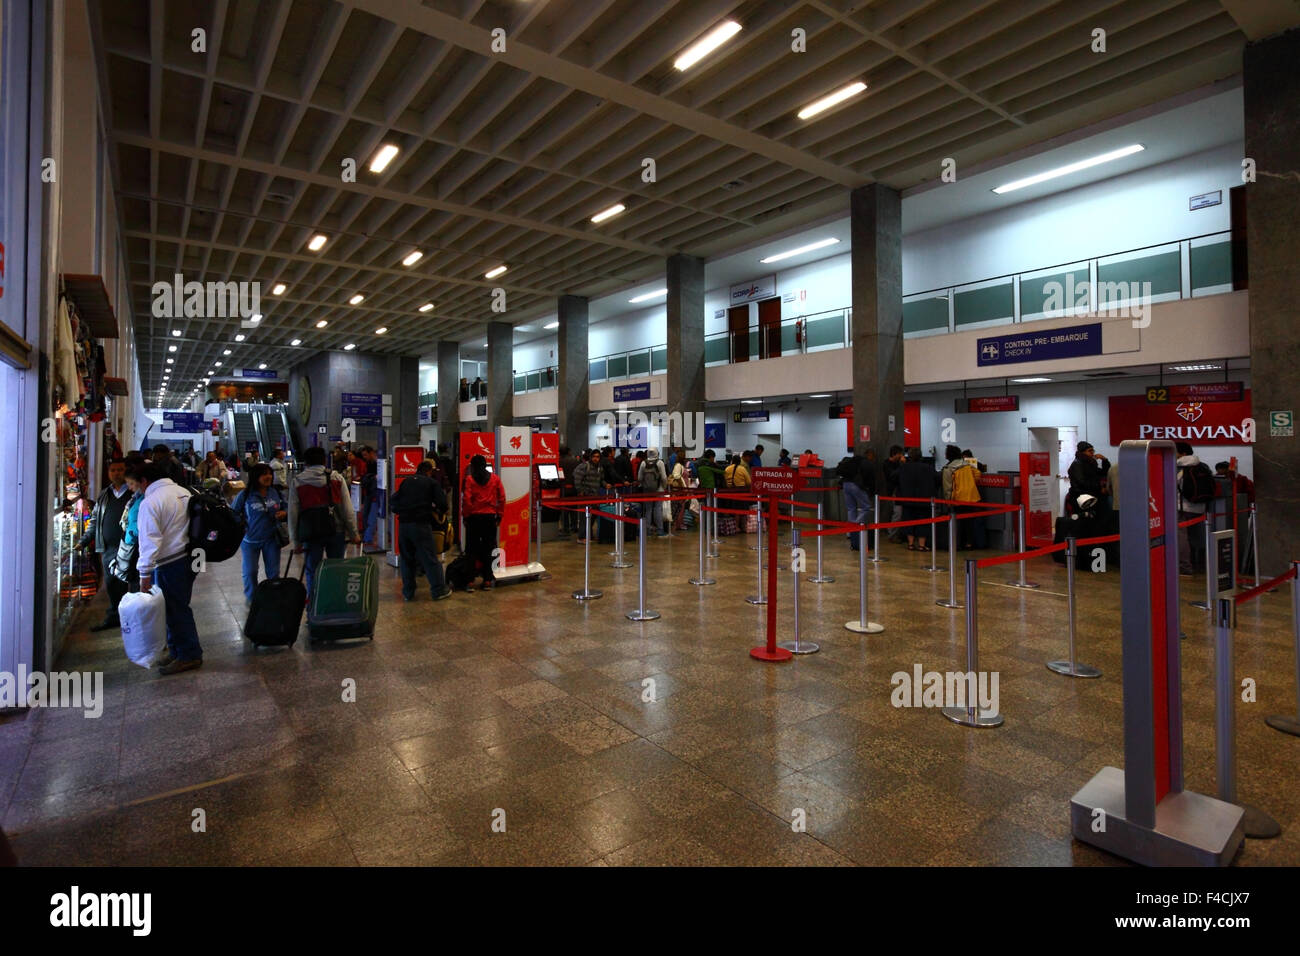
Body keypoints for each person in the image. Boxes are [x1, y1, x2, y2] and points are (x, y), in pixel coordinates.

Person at [136, 461, 201, 675]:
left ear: (144, 481)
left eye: (135, 484)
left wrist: (144, 574)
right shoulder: (183, 491)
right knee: (174, 607)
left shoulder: (151, 501)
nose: (136, 489)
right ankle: (176, 650)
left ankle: (189, 655)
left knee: (176, 609)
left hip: (170, 562)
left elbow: (150, 540)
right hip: (189, 557)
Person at [289, 445, 361, 596]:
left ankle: (313, 605)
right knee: (337, 568)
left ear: (306, 462)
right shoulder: (336, 478)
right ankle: (335, 603)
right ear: (324, 460)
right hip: (336, 531)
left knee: (312, 570)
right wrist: (354, 533)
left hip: (311, 533)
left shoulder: (298, 481)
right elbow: (347, 509)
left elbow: (293, 514)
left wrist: (295, 541)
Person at [76, 457, 133, 631]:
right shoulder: (104, 495)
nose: (116, 473)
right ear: (108, 473)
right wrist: (84, 540)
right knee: (111, 583)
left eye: (120, 470)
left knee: (128, 583)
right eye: (113, 470)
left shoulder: (133, 494)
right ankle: (114, 616)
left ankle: (130, 618)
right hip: (107, 548)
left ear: (126, 471)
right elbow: (95, 520)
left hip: (128, 548)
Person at [389, 460, 451, 602]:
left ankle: (408, 592)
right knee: (429, 558)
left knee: (407, 560)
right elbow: (442, 503)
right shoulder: (431, 483)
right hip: (421, 525)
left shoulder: (407, 481)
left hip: (404, 525)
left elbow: (394, 500)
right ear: (429, 471)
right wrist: (438, 511)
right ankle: (438, 590)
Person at [233, 463, 287, 605]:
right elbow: (233, 513)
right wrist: (242, 525)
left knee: (273, 573)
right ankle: (252, 598)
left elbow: (285, 506)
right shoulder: (245, 495)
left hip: (272, 539)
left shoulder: (275, 492)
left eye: (269, 473)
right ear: (256, 477)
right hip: (250, 541)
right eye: (264, 474)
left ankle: (273, 598)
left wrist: (284, 512)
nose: (268, 477)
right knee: (250, 572)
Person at [461, 453, 505, 590]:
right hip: (490, 518)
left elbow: (467, 500)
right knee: (489, 548)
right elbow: (502, 498)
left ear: (473, 466)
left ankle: (470, 581)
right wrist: (499, 515)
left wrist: (466, 516)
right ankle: (487, 580)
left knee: (471, 550)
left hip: (474, 518)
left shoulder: (469, 480)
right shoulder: (495, 479)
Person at [1176, 441, 1212, 575]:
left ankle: (1184, 567)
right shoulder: (1202, 466)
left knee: (1181, 538)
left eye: (1175, 452)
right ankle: (1202, 565)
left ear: (1183, 453)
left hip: (1182, 508)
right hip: (1200, 507)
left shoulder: (1178, 467)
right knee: (1196, 537)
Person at [942, 445, 981, 550]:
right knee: (969, 522)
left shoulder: (949, 468)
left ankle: (957, 544)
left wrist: (948, 501)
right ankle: (969, 543)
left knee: (957, 522)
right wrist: (971, 483)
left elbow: (948, 488)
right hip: (972, 497)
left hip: (958, 498)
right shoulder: (967, 464)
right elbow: (978, 474)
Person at [897, 448, 935, 551]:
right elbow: (936, 480)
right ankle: (922, 545)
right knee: (923, 522)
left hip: (908, 499)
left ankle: (910, 544)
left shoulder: (904, 468)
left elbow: (894, 477)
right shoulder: (928, 467)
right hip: (924, 500)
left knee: (909, 521)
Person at [840, 445, 874, 551]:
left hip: (845, 484)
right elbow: (870, 479)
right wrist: (871, 491)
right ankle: (856, 526)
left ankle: (850, 531)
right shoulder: (867, 463)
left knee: (851, 509)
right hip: (856, 485)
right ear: (870, 455)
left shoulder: (853, 461)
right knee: (866, 507)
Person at [1066, 441, 1110, 517]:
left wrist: (1104, 460)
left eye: (1093, 450)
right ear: (1082, 452)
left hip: (1092, 496)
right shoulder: (1077, 464)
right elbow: (1082, 483)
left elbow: (1104, 472)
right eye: (1090, 451)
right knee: (1086, 520)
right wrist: (1100, 488)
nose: (1092, 453)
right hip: (1082, 497)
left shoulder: (1090, 463)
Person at [572, 449, 605, 542]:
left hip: (594, 496)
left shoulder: (600, 468)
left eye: (597, 457)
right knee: (583, 517)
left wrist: (605, 484)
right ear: (591, 457)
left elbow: (601, 480)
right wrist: (580, 490)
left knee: (592, 516)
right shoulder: (584, 466)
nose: (595, 459)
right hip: (585, 496)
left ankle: (589, 535)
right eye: (594, 456)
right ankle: (581, 537)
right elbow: (577, 477)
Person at [639, 448, 669, 535]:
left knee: (648, 510)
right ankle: (660, 530)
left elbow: (639, 478)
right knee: (658, 509)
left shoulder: (643, 463)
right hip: (659, 490)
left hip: (647, 490)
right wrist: (664, 487)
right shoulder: (660, 463)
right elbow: (664, 477)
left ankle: (647, 530)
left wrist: (645, 484)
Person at [558, 445, 580, 537]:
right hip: (574, 488)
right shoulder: (575, 461)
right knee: (574, 508)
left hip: (563, 488)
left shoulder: (558, 461)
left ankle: (565, 528)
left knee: (564, 510)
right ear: (568, 452)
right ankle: (574, 526)